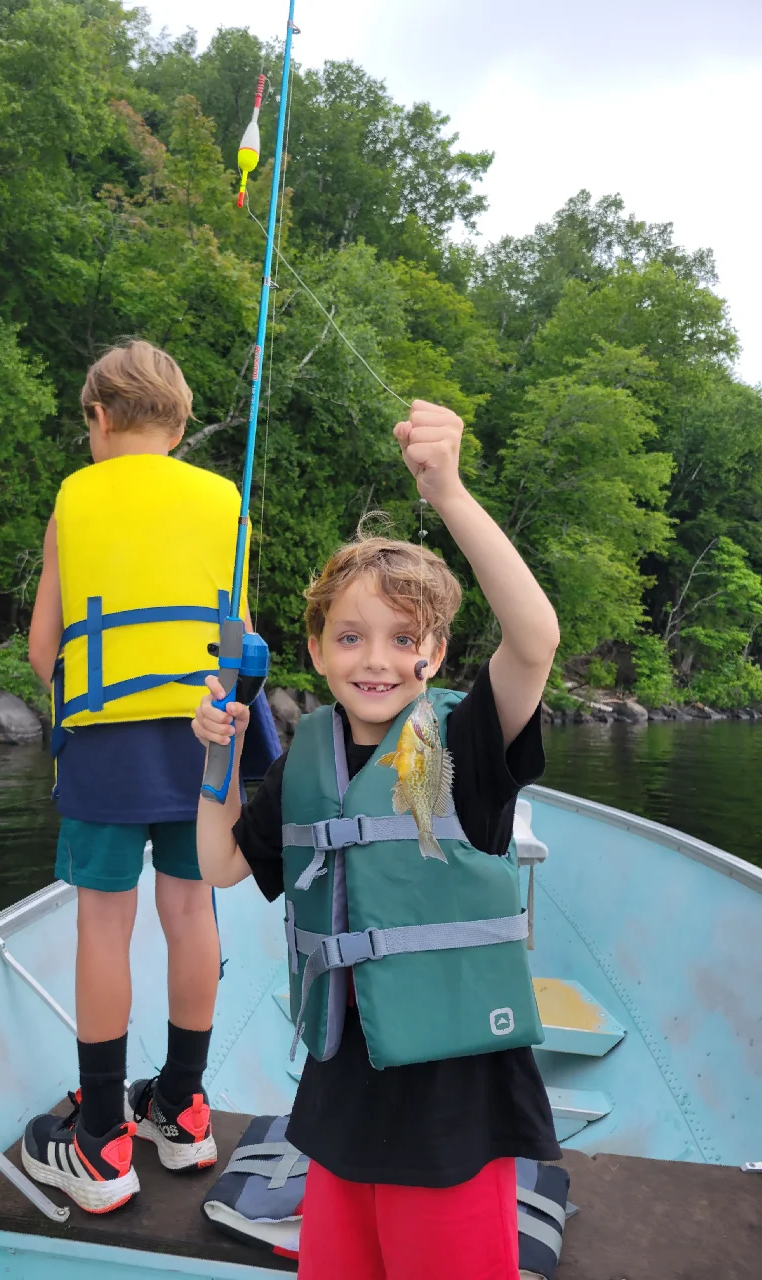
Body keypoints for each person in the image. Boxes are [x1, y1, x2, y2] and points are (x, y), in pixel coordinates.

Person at [192, 400, 563, 1280]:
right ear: (316, 650)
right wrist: (213, 761)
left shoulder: (465, 743)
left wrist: (449, 491)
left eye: (404, 639)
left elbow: (536, 638)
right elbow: (218, 863)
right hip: (340, 1102)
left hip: (453, 1108)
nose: (376, 660)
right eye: (351, 637)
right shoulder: (308, 760)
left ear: (434, 651)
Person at [20, 340, 256, 1215]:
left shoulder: (73, 500)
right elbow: (234, 631)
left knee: (103, 926)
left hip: (106, 744)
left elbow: (45, 648)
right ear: (181, 424)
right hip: (204, 738)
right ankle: (185, 1111)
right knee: (191, 911)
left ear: (99, 416)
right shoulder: (223, 500)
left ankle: (99, 1139)